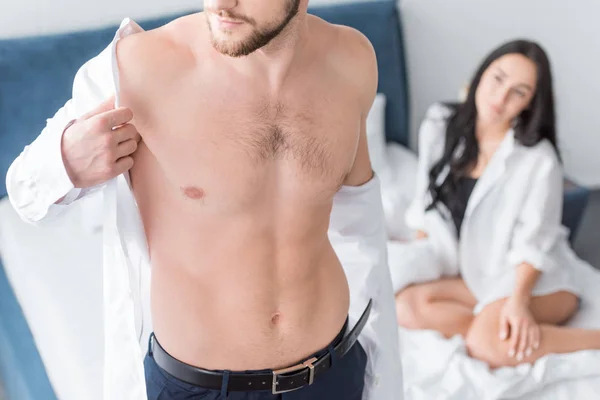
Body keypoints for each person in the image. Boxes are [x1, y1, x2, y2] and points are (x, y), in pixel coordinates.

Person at [6, 1, 403, 399]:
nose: (220, 4)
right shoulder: (138, 69)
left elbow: (361, 221)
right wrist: (66, 160)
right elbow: (24, 192)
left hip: (332, 373)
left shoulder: (351, 61)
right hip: (201, 388)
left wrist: (380, 365)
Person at [394, 39, 600, 369]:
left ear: (530, 103)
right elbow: (425, 206)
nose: (500, 98)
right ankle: (494, 328)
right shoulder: (438, 124)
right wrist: (416, 259)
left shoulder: (538, 159)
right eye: (498, 79)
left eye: (519, 92)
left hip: (533, 280)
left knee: (485, 344)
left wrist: (517, 304)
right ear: (481, 73)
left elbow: (535, 244)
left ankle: (588, 338)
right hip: (477, 277)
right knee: (406, 306)